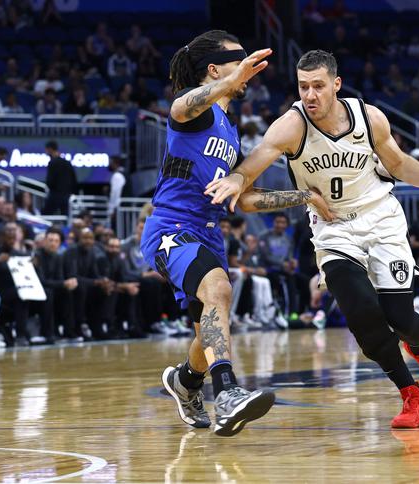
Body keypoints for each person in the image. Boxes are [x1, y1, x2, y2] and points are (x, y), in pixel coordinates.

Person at [207, 49, 419, 429]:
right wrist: (238, 180)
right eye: (303, 86)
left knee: (401, 318)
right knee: (361, 314)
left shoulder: (368, 118)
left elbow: (399, 164)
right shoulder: (289, 127)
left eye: (318, 86)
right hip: (334, 230)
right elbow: (249, 175)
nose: (310, 95)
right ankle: (412, 394)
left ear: (336, 85)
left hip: (381, 217)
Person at [139, 31, 331, 436]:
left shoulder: (228, 127)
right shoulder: (196, 112)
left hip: (208, 235)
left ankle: (186, 381)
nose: (247, 72)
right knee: (220, 291)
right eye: (238, 61)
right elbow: (179, 105)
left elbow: (244, 200)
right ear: (215, 69)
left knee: (207, 336)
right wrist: (227, 82)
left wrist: (304, 197)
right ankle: (226, 394)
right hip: (171, 228)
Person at [44, 140, 78, 215]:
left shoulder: (52, 163)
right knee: (66, 217)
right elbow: (74, 180)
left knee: (45, 215)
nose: (46, 152)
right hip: (67, 196)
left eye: (46, 150)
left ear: (50, 149)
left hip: (55, 196)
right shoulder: (67, 163)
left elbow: (50, 182)